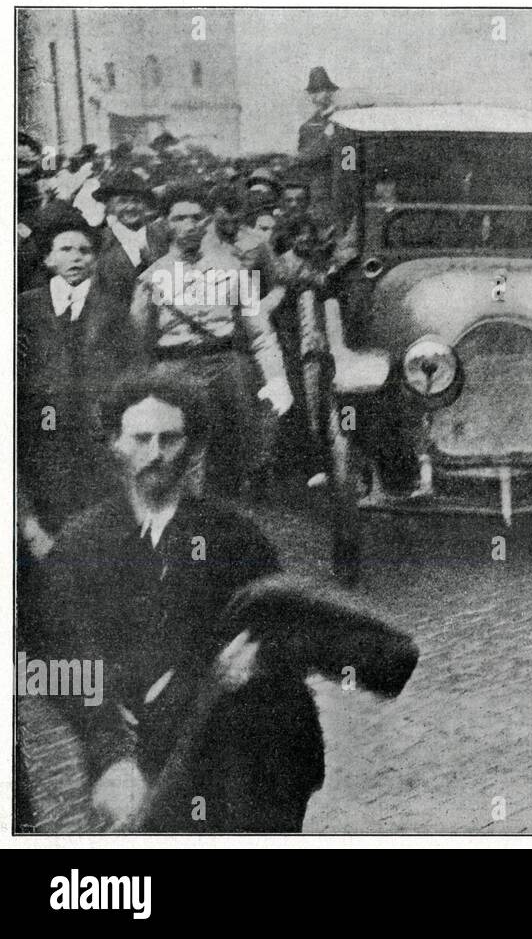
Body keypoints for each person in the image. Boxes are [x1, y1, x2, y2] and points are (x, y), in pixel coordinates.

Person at [35, 370, 325, 831]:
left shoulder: (237, 538)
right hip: (137, 754)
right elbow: (64, 658)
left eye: (169, 439)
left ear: (194, 448)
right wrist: (110, 756)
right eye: (141, 438)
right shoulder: (81, 546)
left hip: (239, 746)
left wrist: (260, 658)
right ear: (115, 443)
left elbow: (287, 630)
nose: (155, 454)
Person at [129, 183, 293, 497]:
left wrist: (276, 378)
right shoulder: (151, 278)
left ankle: (221, 530)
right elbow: (137, 343)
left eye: (196, 217)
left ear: (208, 222)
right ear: (165, 223)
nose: (189, 225)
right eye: (179, 218)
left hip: (225, 368)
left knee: (229, 454)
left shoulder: (232, 270)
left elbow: (260, 333)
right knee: (179, 455)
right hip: (173, 370)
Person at [18, 206, 144, 544]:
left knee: (94, 518)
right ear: (48, 259)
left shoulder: (113, 311)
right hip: (41, 429)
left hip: (95, 433)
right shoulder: (25, 310)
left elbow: (132, 370)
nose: (77, 258)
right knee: (45, 509)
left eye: (85, 250)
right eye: (66, 249)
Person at [93, 169, 160, 310]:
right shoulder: (98, 242)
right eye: (122, 201)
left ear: (145, 204)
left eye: (136, 201)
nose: (130, 207)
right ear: (109, 205)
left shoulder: (160, 235)